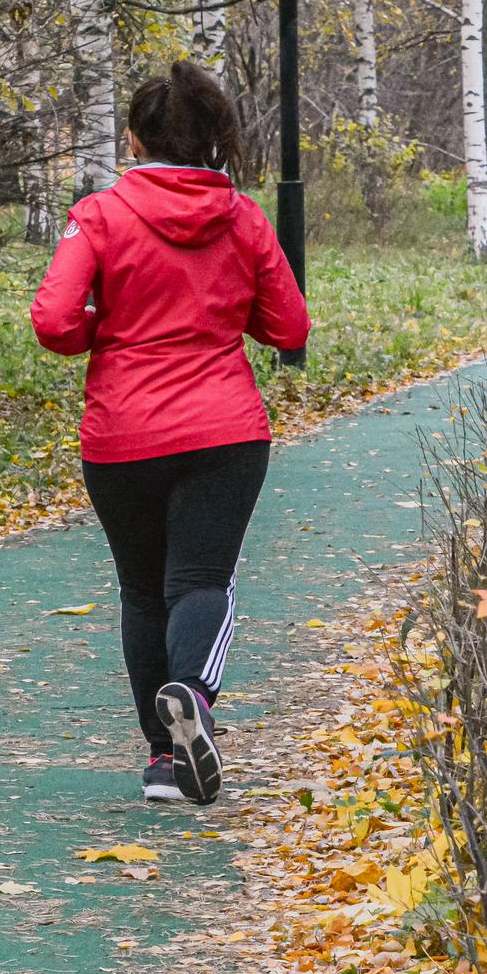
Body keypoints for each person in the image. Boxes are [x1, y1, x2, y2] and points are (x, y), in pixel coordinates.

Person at [30, 62, 311, 804]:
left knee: (142, 590)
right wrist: (222, 313)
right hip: (224, 429)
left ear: (135, 137)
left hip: (120, 433)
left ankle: (162, 759)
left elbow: (55, 321)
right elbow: (289, 325)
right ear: (212, 139)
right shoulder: (243, 218)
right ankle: (191, 694)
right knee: (201, 579)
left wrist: (106, 327)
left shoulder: (99, 214)